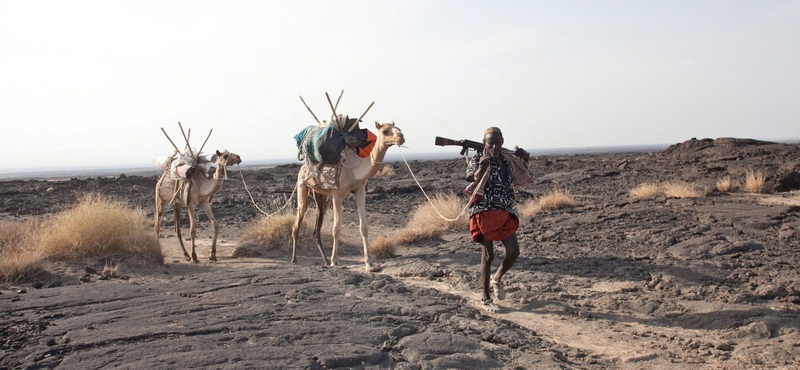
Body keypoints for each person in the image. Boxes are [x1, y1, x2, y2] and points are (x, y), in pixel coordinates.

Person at [465, 127, 522, 313]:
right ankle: (486, 298)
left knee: (514, 252)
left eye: (497, 142)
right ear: (485, 143)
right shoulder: (478, 159)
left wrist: (524, 158)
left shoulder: (508, 160)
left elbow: (519, 174)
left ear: (502, 141)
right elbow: (471, 177)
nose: (494, 146)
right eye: (491, 143)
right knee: (488, 256)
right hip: (483, 211)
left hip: (504, 210)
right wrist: (482, 167)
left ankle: (496, 278)